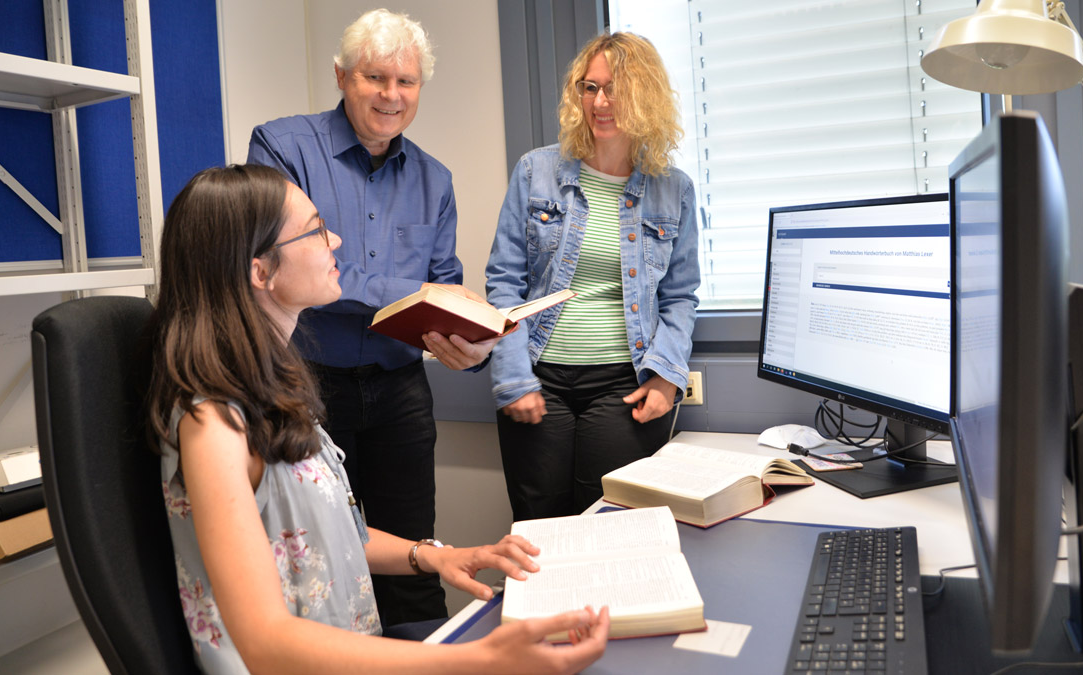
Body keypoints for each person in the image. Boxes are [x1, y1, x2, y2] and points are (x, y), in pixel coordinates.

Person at [145, 164, 609, 673]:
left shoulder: (271, 386)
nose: (336, 240)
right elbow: (266, 642)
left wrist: (435, 556)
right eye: (318, 229)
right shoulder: (212, 424)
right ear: (262, 271)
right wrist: (480, 660)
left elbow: (321, 537)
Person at [246, 9, 491, 626]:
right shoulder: (281, 147)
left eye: (406, 82)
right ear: (341, 76)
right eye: (375, 77)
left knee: (415, 553)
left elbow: (445, 286)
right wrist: (416, 291)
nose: (391, 95)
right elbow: (291, 265)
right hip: (305, 381)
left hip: (400, 390)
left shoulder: (436, 180)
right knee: (315, 555)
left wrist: (464, 338)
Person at [485, 33, 701, 521]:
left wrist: (668, 377)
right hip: (539, 376)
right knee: (540, 526)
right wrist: (513, 376)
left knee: (606, 526)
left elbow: (681, 297)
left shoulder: (674, 190)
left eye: (615, 88)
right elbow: (504, 284)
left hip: (623, 384)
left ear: (645, 96)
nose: (600, 102)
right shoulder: (535, 172)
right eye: (590, 87)